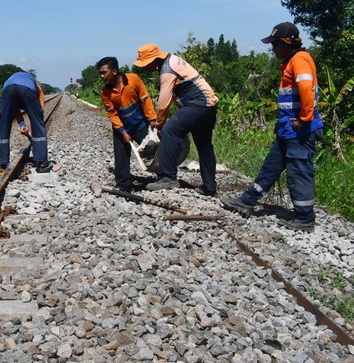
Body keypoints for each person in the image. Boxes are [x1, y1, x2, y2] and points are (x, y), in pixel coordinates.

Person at [221, 22, 323, 232]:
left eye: (275, 44)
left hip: (300, 131)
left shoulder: (300, 60)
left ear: (286, 43)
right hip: (288, 130)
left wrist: (304, 118)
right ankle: (247, 201)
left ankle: (305, 218)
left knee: (299, 172)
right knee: (271, 167)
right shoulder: (290, 62)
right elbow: (291, 99)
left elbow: (306, 88)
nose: (273, 49)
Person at [134, 43, 219, 196]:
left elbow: (164, 102)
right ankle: (210, 186)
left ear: (153, 60)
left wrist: (159, 125)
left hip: (198, 104)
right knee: (204, 145)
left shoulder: (167, 70)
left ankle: (168, 177)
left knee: (169, 130)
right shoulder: (172, 61)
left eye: (145, 64)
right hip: (208, 105)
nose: (144, 68)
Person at [97, 57, 157, 191]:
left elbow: (145, 99)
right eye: (100, 73)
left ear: (114, 71)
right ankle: (123, 184)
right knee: (121, 156)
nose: (102, 76)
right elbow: (112, 114)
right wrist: (123, 132)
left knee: (152, 150)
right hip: (121, 128)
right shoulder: (105, 92)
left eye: (104, 72)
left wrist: (152, 119)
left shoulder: (133, 79)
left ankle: (164, 177)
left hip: (140, 124)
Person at [0, 71, 53, 173]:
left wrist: (22, 124)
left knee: (4, 124)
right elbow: (41, 96)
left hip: (8, 91)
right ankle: (42, 163)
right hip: (27, 90)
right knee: (38, 123)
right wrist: (36, 117)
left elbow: (14, 110)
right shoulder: (32, 81)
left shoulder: (10, 81)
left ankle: (3, 163)